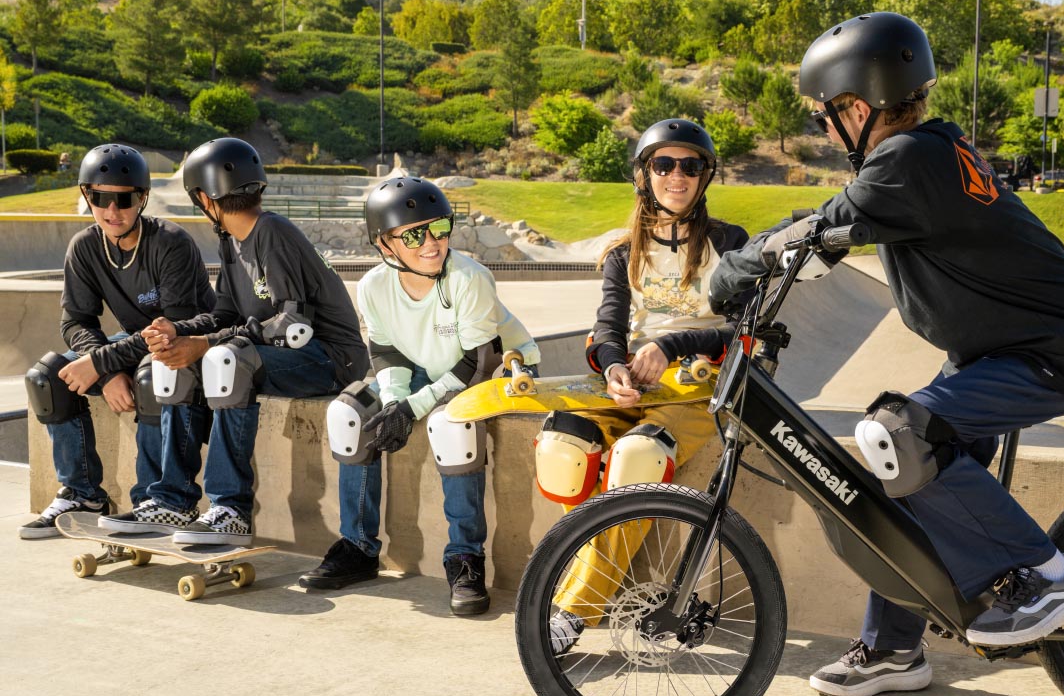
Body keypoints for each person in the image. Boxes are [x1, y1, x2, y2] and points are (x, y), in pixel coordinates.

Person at [710, 12, 1064, 696]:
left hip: (1057, 351)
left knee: (894, 431)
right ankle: (895, 652)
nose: (825, 130)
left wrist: (738, 266)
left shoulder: (908, 159)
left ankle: (1053, 579)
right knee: (898, 470)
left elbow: (821, 224)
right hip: (1000, 351)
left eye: (824, 117)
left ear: (857, 104)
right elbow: (833, 229)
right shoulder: (923, 155)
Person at [537, 118, 749, 655]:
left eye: (690, 166)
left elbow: (743, 325)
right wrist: (613, 367)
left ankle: (572, 610)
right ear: (643, 173)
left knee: (637, 456)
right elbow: (609, 326)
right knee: (561, 446)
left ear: (705, 177)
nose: (676, 176)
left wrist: (672, 347)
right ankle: (600, 586)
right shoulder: (620, 251)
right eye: (663, 164)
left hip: (697, 391)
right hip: (630, 386)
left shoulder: (729, 242)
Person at [101, 137, 369, 546]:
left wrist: (207, 345)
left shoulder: (272, 233)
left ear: (205, 198)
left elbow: (292, 325)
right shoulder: (230, 242)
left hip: (331, 360)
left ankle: (230, 509)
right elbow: (224, 315)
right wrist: (179, 332)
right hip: (276, 356)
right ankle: (172, 499)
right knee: (175, 363)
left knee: (226, 361)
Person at [300, 177, 540, 617]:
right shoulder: (373, 286)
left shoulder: (470, 278)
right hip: (429, 371)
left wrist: (410, 407)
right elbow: (386, 350)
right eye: (414, 234)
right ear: (384, 243)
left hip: (500, 368)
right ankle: (358, 546)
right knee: (348, 414)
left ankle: (464, 557)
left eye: (441, 228)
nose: (433, 243)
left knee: (451, 425)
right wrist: (393, 401)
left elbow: (476, 364)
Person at [20, 144, 215, 538]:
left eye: (123, 200)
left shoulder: (170, 243)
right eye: (99, 198)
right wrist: (105, 370)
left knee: (150, 378)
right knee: (48, 378)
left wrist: (104, 362)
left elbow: (172, 330)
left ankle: (154, 501)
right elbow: (76, 321)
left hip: (186, 346)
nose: (112, 211)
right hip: (133, 346)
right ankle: (83, 492)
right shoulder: (85, 248)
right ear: (86, 196)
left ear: (142, 198)